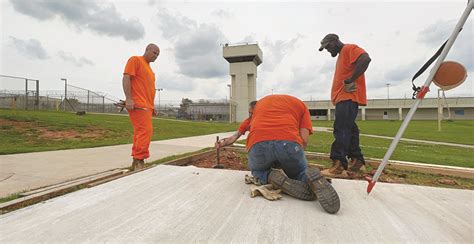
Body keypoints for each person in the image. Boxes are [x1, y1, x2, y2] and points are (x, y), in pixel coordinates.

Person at [217, 95, 340, 214]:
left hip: (258, 145)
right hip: (288, 142)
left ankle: (270, 176)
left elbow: (234, 137)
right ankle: (310, 178)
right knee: (299, 172)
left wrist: (221, 143)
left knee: (258, 171)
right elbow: (304, 139)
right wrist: (295, 156)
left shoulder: (258, 109)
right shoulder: (301, 106)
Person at [318, 33, 371, 176]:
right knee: (350, 129)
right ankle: (357, 162)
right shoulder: (342, 55)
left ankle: (338, 164)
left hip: (347, 96)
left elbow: (365, 58)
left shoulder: (348, 48)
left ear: (335, 41)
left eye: (328, 46)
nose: (328, 50)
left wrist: (351, 79)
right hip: (344, 98)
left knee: (341, 128)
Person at [122, 43, 160, 170]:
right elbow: (126, 77)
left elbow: (149, 90)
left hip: (147, 106)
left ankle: (135, 161)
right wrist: (128, 98)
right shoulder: (136, 60)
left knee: (141, 132)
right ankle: (139, 161)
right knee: (145, 131)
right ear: (147, 50)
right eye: (154, 52)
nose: (156, 56)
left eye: (158, 54)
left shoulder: (150, 71)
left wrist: (152, 106)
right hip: (138, 104)